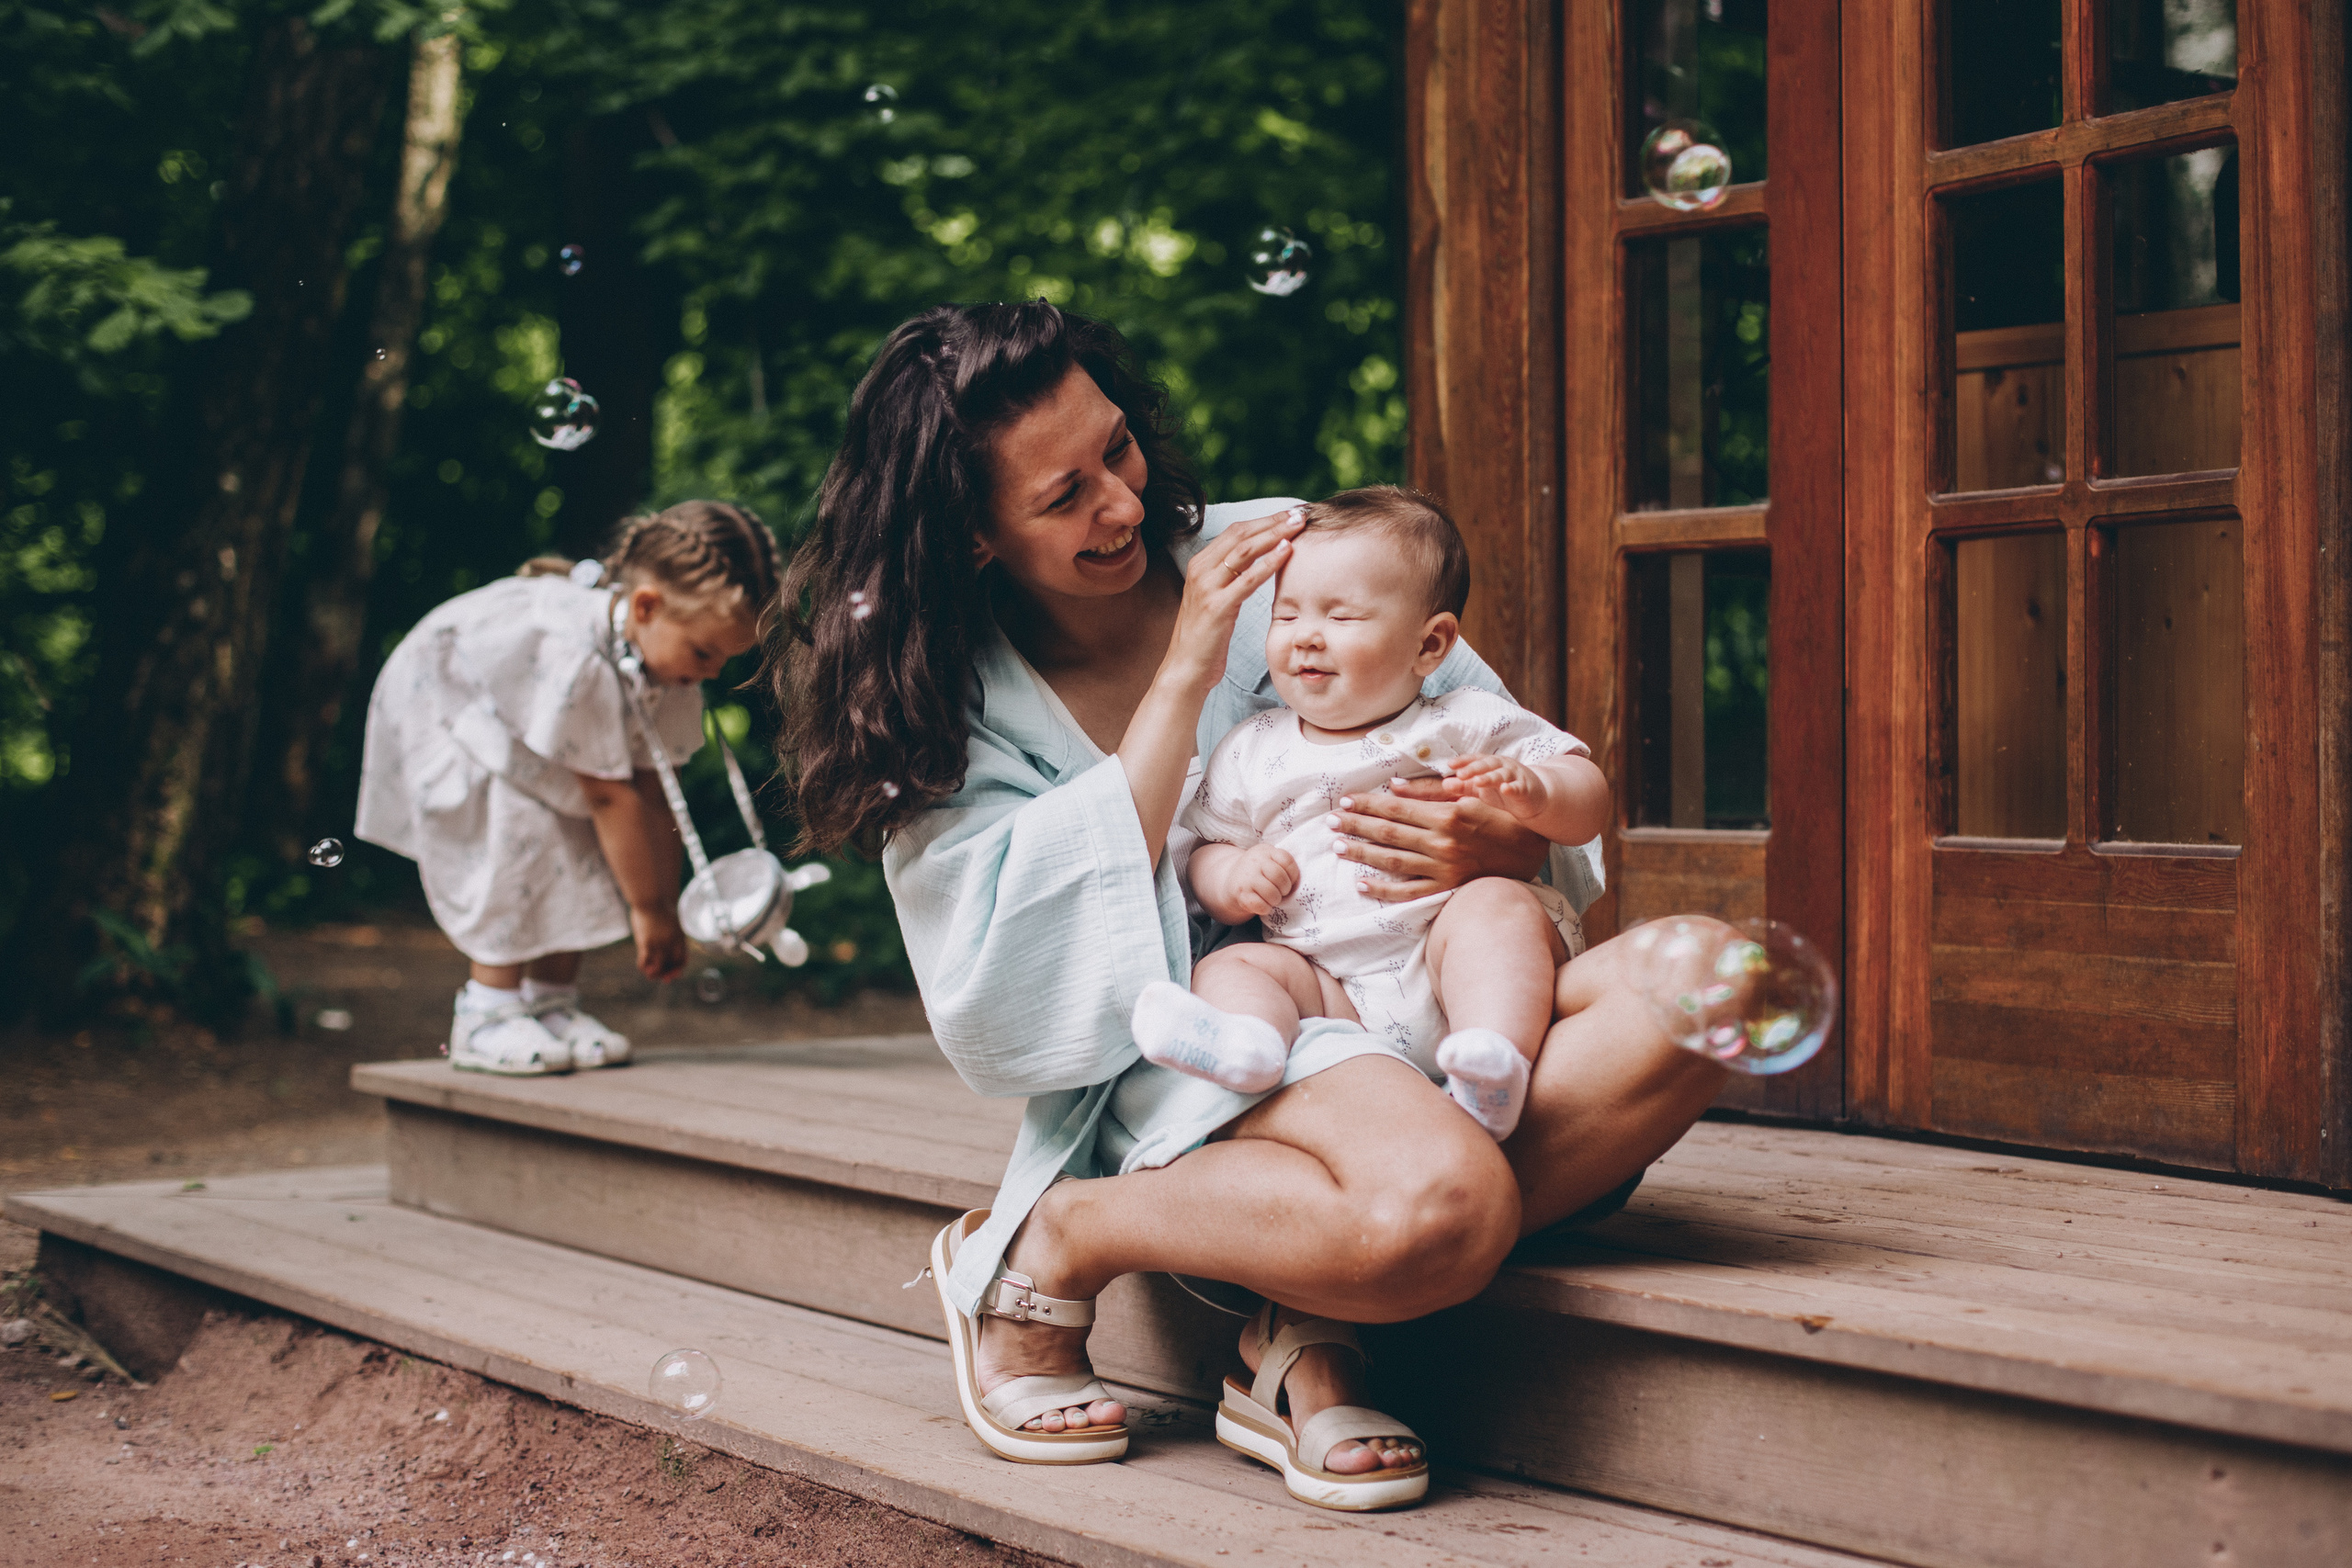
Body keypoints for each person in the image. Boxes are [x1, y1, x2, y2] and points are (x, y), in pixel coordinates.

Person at [775, 303, 1730, 1511]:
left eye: (1118, 449)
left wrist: (1501, 832)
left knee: (1710, 982)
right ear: (970, 535)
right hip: (1223, 1030)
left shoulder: (1289, 550)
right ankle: (1065, 1234)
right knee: (1446, 1207)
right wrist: (1187, 667)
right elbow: (1005, 985)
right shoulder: (940, 707)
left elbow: (1485, 735)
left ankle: (1305, 1309)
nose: (1123, 505)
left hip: (1426, 984)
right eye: (1065, 496)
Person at [1133, 485, 1608, 1143]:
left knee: (1494, 910)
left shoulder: (1461, 721)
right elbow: (1207, 847)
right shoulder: (1251, 748)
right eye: (1286, 614)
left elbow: (1588, 795)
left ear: (1430, 645)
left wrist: (1539, 792)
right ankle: (1249, 1045)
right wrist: (1233, 877)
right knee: (1233, 967)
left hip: (1445, 956)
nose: (1306, 637)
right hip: (1331, 989)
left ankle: (1493, 1062)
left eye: (1342, 617)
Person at [357, 501, 777, 1074]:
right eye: (704, 652)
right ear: (647, 606)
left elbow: (660, 799)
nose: (711, 672)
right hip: (454, 711)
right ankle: (488, 1009)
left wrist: (664, 904)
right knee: (525, 828)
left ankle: (549, 1001)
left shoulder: (672, 670)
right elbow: (610, 797)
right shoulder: (576, 658)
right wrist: (647, 910)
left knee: (591, 835)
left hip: (525, 729)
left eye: (725, 659)